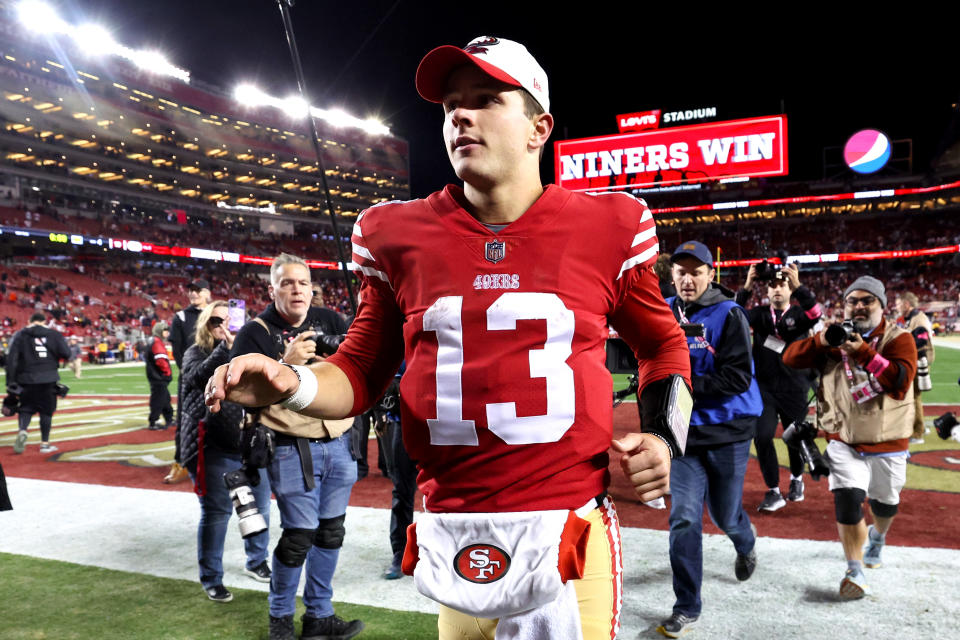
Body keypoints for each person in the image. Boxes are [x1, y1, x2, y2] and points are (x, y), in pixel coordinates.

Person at [208, 36, 691, 640]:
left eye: (486, 99)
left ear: (539, 128)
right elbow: (359, 372)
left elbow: (663, 345)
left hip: (565, 524)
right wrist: (294, 383)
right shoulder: (396, 233)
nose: (460, 114)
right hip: (453, 527)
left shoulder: (610, 225)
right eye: (450, 106)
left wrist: (663, 438)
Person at [227, 253, 361, 640]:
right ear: (273, 289)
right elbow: (241, 394)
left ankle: (319, 616)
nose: (297, 289)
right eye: (287, 283)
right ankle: (280, 620)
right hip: (289, 446)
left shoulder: (332, 322)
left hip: (338, 442)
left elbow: (356, 370)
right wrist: (282, 363)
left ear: (312, 288)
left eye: (303, 282)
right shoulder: (255, 333)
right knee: (299, 535)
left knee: (331, 532)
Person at [783, 276, 916, 599]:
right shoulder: (834, 337)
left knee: (885, 503)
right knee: (847, 498)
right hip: (843, 437)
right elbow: (789, 358)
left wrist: (864, 352)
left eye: (867, 300)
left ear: (882, 306)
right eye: (852, 300)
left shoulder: (900, 339)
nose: (859, 306)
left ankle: (879, 537)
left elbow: (899, 381)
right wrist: (821, 342)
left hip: (888, 440)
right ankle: (854, 570)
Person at [660, 241, 762, 638]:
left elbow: (737, 378)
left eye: (696, 272)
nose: (688, 279)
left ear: (710, 274)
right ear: (672, 275)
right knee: (683, 517)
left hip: (728, 431)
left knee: (724, 515)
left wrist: (685, 385)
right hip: (683, 434)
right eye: (681, 272)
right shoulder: (665, 311)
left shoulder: (729, 313)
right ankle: (687, 606)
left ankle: (745, 542)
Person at [180, 301, 272, 603]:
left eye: (230, 320)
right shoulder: (196, 352)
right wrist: (225, 349)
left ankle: (256, 560)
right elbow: (196, 379)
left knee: (259, 507)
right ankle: (211, 577)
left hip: (247, 441)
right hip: (211, 445)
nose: (223, 325)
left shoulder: (250, 351)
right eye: (216, 320)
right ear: (205, 324)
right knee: (217, 513)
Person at [736, 263, 822, 511]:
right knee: (762, 436)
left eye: (781, 285)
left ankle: (796, 479)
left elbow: (816, 313)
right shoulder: (760, 314)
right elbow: (734, 312)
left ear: (788, 289)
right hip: (764, 388)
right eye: (771, 285)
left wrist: (799, 286)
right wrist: (748, 285)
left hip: (795, 387)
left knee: (793, 438)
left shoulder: (798, 315)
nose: (776, 289)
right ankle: (773, 490)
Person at [5, 312, 70, 454]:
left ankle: (23, 430)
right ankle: (45, 444)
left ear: (29, 321)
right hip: (48, 378)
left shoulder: (20, 335)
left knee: (25, 408)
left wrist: (10, 383)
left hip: (26, 378)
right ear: (44, 321)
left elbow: (12, 360)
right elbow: (66, 353)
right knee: (46, 412)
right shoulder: (54, 335)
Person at [168, 279, 211, 481]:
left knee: (221, 418)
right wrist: (189, 373)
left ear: (207, 293)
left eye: (197, 291)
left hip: (215, 373)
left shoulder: (215, 313)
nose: (193, 294)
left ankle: (218, 460)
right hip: (190, 377)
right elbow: (176, 351)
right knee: (184, 420)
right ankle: (181, 462)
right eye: (190, 291)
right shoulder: (181, 317)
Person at [895, 292, 934, 443]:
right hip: (912, 361)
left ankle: (918, 433)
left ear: (906, 304)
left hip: (918, 362)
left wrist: (902, 348)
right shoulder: (909, 319)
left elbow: (921, 340)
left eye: (898, 304)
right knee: (910, 396)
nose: (896, 307)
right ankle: (920, 427)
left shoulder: (919, 319)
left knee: (914, 397)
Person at [145, 321, 174, 430]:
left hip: (155, 375)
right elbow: (160, 360)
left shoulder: (153, 341)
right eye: (165, 331)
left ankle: (169, 418)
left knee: (165, 398)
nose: (167, 333)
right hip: (158, 376)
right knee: (158, 399)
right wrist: (167, 373)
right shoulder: (157, 342)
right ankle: (154, 420)